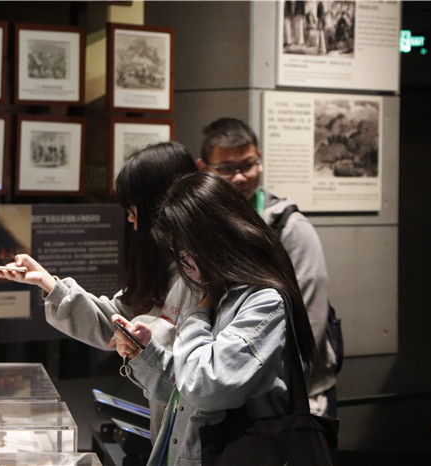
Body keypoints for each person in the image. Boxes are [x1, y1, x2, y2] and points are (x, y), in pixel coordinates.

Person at [0, 141, 200, 441]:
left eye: (133, 207)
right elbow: (115, 320)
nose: (130, 218)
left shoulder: (200, 272)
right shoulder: (163, 265)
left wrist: (145, 335)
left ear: (157, 204)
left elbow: (190, 367)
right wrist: (47, 283)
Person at [112, 172, 316, 465]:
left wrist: (195, 315)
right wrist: (145, 354)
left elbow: (205, 386)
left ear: (215, 242)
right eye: (179, 257)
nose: (186, 268)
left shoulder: (264, 302)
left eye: (187, 255)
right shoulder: (216, 292)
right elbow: (183, 393)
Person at [197, 117, 337, 417]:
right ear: (203, 167)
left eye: (247, 165)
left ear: (259, 159)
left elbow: (309, 318)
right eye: (226, 168)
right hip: (229, 390)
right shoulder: (206, 225)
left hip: (288, 394)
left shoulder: (289, 227)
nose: (239, 177)